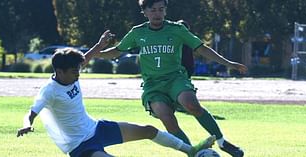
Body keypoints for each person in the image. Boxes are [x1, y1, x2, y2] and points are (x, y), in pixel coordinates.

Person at [84, 1, 247, 157]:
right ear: (145, 12)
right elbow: (116, 51)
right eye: (153, 10)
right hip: (153, 86)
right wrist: (96, 50)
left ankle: (222, 142)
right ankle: (192, 152)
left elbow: (202, 49)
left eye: (161, 9)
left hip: (175, 79)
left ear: (165, 11)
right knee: (166, 117)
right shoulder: (137, 32)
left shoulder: (177, 29)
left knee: (192, 104)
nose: (157, 13)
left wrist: (228, 63)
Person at [16, 31, 216, 157]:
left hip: (96, 128)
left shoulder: (70, 71)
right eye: (74, 71)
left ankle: (190, 151)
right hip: (80, 147)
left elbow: (85, 58)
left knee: (148, 130)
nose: (79, 73)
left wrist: (100, 45)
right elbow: (31, 112)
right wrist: (27, 124)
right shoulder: (49, 90)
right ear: (59, 72)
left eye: (79, 69)